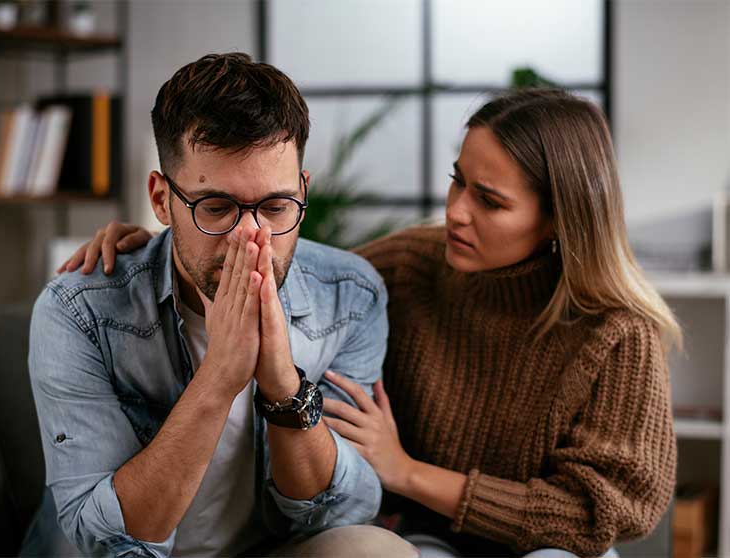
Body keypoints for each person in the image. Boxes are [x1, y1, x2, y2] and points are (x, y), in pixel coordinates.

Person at [70, 89, 679, 557]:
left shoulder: (618, 335)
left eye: (489, 200)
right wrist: (167, 247)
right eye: (456, 182)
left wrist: (408, 473)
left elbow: (599, 515)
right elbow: (289, 267)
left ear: (556, 220)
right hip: (424, 543)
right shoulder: (413, 264)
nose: (456, 212)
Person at [27, 52, 417, 558]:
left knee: (376, 551)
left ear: (302, 194)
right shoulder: (79, 309)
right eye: (218, 208)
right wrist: (221, 374)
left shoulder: (349, 295)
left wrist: (283, 385)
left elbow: (339, 511)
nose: (251, 237)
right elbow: (105, 538)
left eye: (275, 208)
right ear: (162, 200)